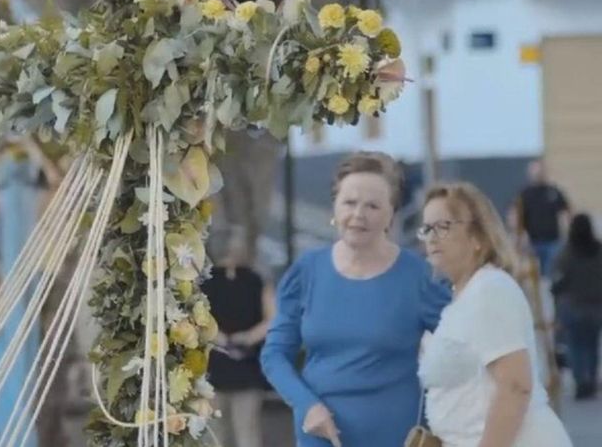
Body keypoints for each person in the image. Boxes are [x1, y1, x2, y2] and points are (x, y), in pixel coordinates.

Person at [261, 152, 451, 447]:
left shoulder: (420, 277)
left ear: (391, 214)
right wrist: (306, 405)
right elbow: (274, 355)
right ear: (335, 207)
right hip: (319, 434)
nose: (358, 214)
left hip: (397, 435)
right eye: (350, 202)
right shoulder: (306, 271)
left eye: (373, 205)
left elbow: (464, 349)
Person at [418, 182, 572, 447]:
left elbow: (515, 386)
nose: (432, 237)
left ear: (478, 237)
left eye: (443, 227)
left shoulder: (489, 290)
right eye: (426, 229)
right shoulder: (464, 296)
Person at [204, 230, 274, 447]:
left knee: (214, 435)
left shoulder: (205, 282)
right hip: (244, 365)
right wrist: (246, 338)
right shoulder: (256, 280)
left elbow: (198, 320)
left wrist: (220, 337)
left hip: (214, 367)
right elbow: (272, 319)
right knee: (248, 434)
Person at [552, 213, 602, 400]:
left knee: (576, 345)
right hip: (597, 307)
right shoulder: (599, 251)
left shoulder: (567, 253)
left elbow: (558, 281)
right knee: (592, 344)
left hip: (573, 306)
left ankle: (581, 380)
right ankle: (591, 378)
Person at [517, 159, 570, 277]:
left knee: (551, 273)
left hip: (553, 241)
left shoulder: (554, 192)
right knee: (535, 275)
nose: (538, 173)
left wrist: (565, 235)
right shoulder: (525, 194)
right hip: (533, 242)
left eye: (540, 170)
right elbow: (519, 217)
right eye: (534, 170)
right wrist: (521, 237)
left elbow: (564, 214)